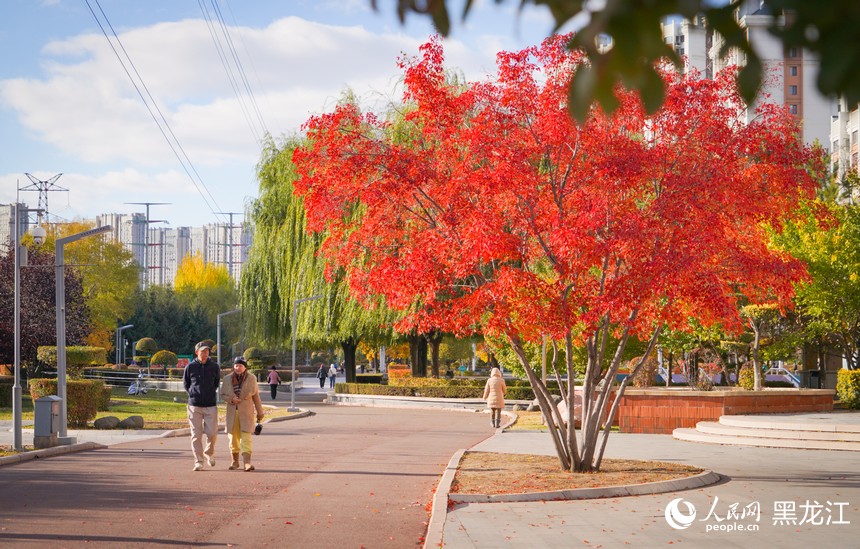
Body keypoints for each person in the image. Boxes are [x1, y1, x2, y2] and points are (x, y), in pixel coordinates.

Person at [220, 356, 265, 471]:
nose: (238, 368)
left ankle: (247, 463)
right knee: (233, 438)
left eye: (240, 365)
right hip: (232, 413)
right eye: (236, 365)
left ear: (245, 367)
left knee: (246, 437)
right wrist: (231, 399)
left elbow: (256, 396)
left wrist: (260, 412)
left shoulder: (252, 378)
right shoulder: (227, 379)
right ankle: (234, 462)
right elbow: (223, 395)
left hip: (246, 413)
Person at [183, 341, 221, 471]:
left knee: (212, 433)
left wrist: (209, 393)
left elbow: (216, 383)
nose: (205, 354)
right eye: (202, 351)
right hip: (194, 405)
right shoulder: (190, 367)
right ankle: (198, 461)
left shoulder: (215, 367)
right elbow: (186, 384)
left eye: (207, 351)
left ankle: (209, 453)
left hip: (210, 405)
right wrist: (193, 395)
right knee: (196, 435)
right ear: (196, 352)